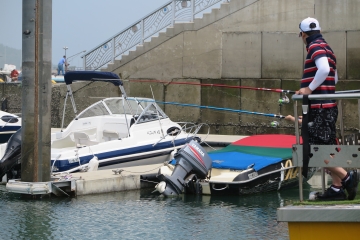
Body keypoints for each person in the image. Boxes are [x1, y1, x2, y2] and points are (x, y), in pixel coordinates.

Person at [292, 17, 358, 200]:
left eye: (301, 35)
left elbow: (324, 70)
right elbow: (333, 78)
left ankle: (347, 178)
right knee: (328, 148)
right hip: (328, 106)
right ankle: (337, 189)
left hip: (320, 108)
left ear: (303, 34)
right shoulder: (327, 47)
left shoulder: (314, 47)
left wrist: (309, 89)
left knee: (315, 148)